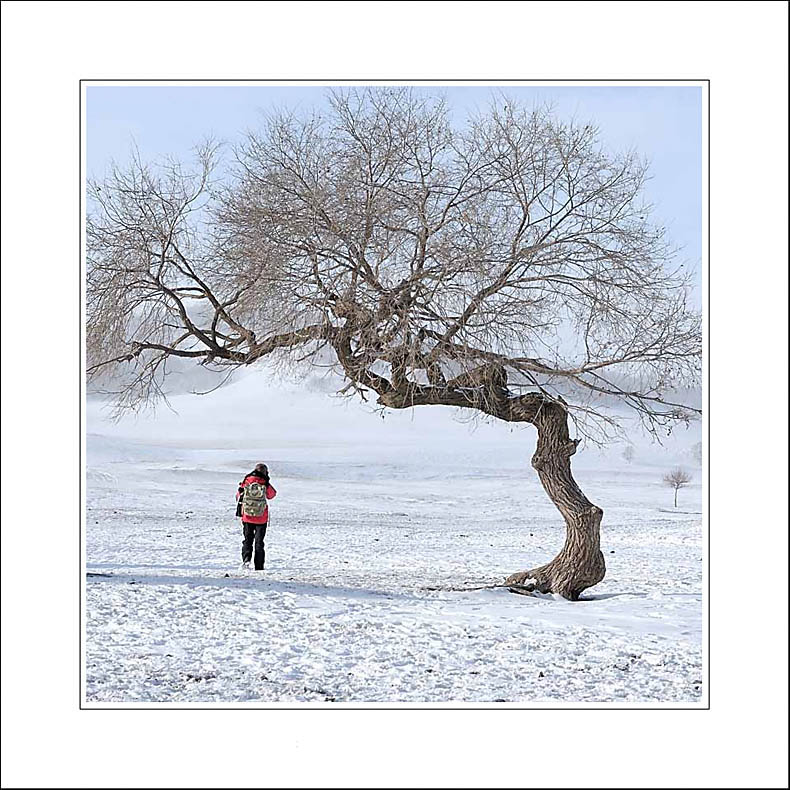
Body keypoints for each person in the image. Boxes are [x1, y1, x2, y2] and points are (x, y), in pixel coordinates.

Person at [236, 463, 277, 571]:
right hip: (261, 517)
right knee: (259, 542)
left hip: (247, 516)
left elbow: (238, 496)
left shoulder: (247, 480)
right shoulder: (264, 482)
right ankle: (259, 566)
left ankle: (246, 560)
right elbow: (272, 495)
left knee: (247, 539)